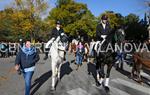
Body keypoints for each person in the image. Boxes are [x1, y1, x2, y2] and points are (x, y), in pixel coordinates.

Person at [95, 14, 112, 87]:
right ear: (102, 19)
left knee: (112, 47)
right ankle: (96, 55)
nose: (105, 20)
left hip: (107, 40)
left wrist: (107, 37)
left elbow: (110, 33)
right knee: (96, 46)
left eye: (106, 19)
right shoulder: (98, 26)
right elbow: (97, 33)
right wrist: (101, 36)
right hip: (100, 40)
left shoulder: (108, 26)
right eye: (104, 19)